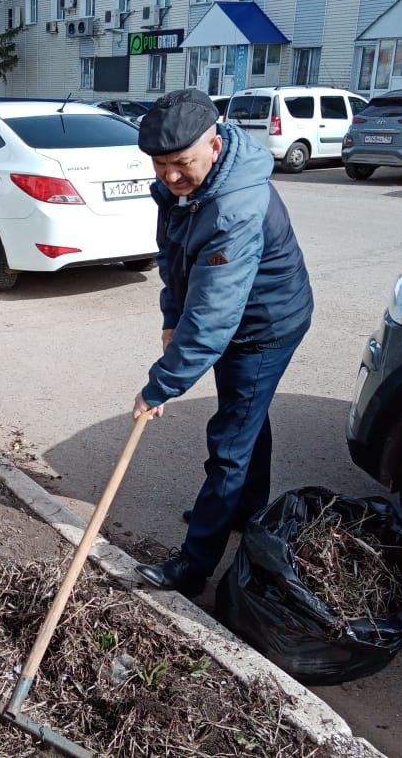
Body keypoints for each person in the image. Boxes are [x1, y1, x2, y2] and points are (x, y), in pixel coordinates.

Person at [131, 89, 313, 598]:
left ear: (213, 144)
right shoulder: (187, 188)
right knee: (246, 414)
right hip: (236, 319)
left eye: (181, 163)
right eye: (161, 165)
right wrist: (171, 317)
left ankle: (193, 568)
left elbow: (213, 316)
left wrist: (161, 386)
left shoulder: (234, 205)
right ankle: (247, 511)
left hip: (264, 327)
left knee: (230, 444)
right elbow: (172, 256)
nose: (170, 176)